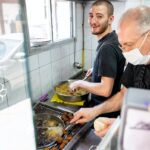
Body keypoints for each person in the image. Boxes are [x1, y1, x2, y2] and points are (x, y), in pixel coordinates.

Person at [70, 5, 150, 137]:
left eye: (129, 44)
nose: (125, 52)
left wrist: (126, 127)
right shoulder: (137, 61)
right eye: (122, 45)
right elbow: (125, 94)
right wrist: (95, 111)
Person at [70, 0, 125, 118]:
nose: (93, 21)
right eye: (91, 16)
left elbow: (105, 90)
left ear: (110, 19)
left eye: (99, 16)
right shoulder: (113, 39)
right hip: (111, 111)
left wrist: (80, 82)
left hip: (104, 113)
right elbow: (114, 65)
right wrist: (96, 68)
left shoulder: (107, 48)